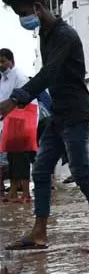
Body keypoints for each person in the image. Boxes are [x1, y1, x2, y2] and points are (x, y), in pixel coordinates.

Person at [1, 0, 89, 252]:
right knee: (40, 169)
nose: (22, 19)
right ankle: (39, 233)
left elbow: (48, 73)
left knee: (81, 171)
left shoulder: (64, 35)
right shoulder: (45, 34)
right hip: (59, 114)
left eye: (22, 13)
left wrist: (15, 100)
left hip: (76, 112)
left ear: (37, 7)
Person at [0, 48, 34, 203]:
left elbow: (23, 100)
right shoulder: (3, 79)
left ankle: (26, 193)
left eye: (3, 61)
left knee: (21, 157)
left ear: (11, 61)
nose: (1, 65)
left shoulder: (20, 76)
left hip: (22, 120)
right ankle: (13, 192)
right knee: (12, 158)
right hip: (9, 121)